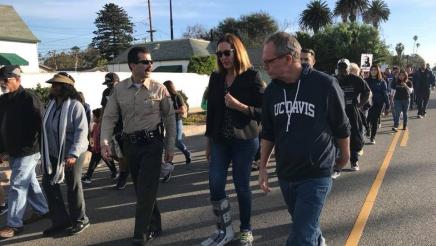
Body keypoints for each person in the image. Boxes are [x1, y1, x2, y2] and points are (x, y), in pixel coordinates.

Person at [258, 32, 350, 246]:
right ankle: (317, 240)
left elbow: (341, 125)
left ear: (288, 59)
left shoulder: (325, 84)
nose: (265, 66)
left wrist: (344, 155)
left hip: (316, 173)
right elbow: (268, 132)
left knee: (300, 238)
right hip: (286, 173)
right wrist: (263, 166)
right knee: (303, 224)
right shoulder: (271, 91)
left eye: (268, 61)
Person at [101, 46, 176, 245]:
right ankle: (156, 224)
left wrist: (170, 148)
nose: (149, 65)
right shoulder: (119, 89)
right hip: (130, 146)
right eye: (144, 62)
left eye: (150, 62)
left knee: (146, 188)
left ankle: (140, 234)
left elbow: (170, 120)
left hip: (153, 144)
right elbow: (109, 117)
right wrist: (104, 142)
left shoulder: (159, 88)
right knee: (142, 189)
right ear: (132, 65)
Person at [202, 33, 264, 246]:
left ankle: (246, 228)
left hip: (245, 141)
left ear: (237, 52)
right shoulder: (216, 78)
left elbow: (264, 111)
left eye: (227, 52)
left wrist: (240, 106)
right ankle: (224, 229)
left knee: (241, 185)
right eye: (219, 54)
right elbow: (211, 113)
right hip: (220, 140)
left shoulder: (252, 76)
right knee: (215, 184)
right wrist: (209, 141)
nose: (223, 58)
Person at [0, 65, 49, 239]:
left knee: (17, 185)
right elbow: (1, 127)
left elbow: (42, 123)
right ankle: (43, 210)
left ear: (18, 80)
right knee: (30, 182)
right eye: (1, 79)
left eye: (6, 79)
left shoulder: (29, 97)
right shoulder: (3, 100)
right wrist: (2, 150)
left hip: (29, 150)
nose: (3, 83)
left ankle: (14, 224)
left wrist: (43, 147)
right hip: (13, 150)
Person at [41, 72, 90, 236]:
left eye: (57, 84)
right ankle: (61, 221)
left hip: (73, 152)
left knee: (73, 185)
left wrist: (73, 154)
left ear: (66, 87)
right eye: (53, 84)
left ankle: (80, 219)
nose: (53, 87)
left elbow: (82, 132)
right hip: (54, 153)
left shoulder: (75, 105)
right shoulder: (51, 105)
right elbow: (46, 130)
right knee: (49, 185)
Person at [333, 58, 371, 178]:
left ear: (349, 68)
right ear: (337, 68)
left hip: (352, 111)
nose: (342, 70)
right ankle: (337, 167)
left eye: (345, 67)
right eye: (340, 67)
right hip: (337, 112)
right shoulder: (333, 80)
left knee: (354, 136)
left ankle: (354, 161)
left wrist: (360, 105)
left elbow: (367, 91)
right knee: (337, 138)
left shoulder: (356, 79)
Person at [101, 72, 128, 190]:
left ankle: (123, 174)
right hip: (112, 127)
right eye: (107, 84)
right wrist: (101, 124)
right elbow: (103, 108)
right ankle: (126, 168)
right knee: (112, 153)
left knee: (122, 153)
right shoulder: (106, 93)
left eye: (111, 84)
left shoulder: (125, 91)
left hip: (125, 127)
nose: (109, 86)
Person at [81, 108, 117, 184]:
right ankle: (115, 172)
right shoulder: (95, 126)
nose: (93, 118)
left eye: (94, 116)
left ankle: (88, 176)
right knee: (107, 160)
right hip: (96, 148)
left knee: (94, 162)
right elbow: (92, 135)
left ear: (99, 117)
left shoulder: (102, 127)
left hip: (100, 148)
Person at [163, 80, 192, 170]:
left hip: (177, 120)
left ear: (168, 88)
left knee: (177, 141)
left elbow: (182, 110)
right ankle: (168, 161)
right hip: (167, 122)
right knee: (167, 142)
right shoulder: (165, 97)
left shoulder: (177, 96)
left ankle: (187, 153)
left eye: (164, 88)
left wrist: (171, 111)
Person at [365, 65, 390, 144]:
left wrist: (387, 105)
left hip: (378, 104)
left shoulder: (382, 81)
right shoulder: (366, 80)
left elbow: (385, 94)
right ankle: (368, 130)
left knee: (375, 121)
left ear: (378, 71)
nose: (373, 71)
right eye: (372, 70)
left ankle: (373, 137)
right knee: (367, 119)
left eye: (375, 70)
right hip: (367, 103)